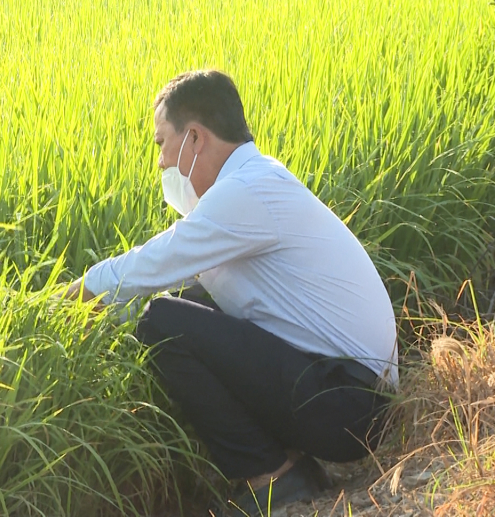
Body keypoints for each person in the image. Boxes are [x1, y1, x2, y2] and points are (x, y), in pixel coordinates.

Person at [61, 69, 397, 516]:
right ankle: (289, 465)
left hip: (348, 407)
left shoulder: (246, 192)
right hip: (349, 399)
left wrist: (67, 297)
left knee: (161, 322)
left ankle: (275, 476)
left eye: (162, 143)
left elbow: (155, 262)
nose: (161, 162)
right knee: (190, 307)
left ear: (195, 138)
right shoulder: (257, 179)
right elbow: (186, 287)